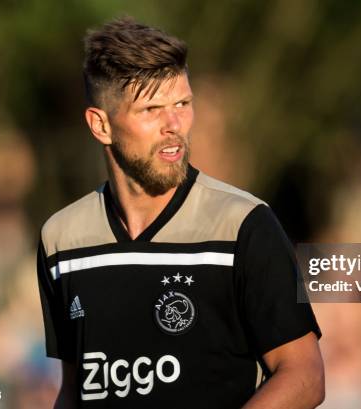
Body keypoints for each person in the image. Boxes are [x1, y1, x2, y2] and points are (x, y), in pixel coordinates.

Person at [36, 16, 324, 409]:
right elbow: (74, 390)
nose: (175, 125)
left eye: (183, 104)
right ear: (100, 125)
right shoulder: (62, 239)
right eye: (152, 109)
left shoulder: (243, 225)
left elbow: (304, 375)